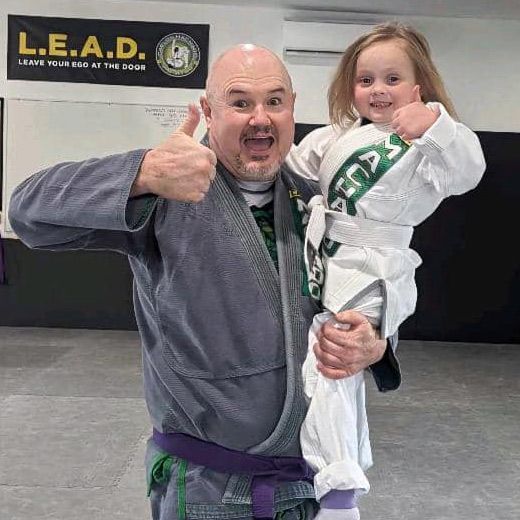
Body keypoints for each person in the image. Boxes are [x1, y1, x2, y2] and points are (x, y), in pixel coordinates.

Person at [9, 44, 400, 520]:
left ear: (293, 107)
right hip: (207, 491)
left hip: (311, 486)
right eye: (240, 103)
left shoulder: (318, 196)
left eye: (275, 102)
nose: (261, 118)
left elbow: (372, 285)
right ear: (209, 112)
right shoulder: (166, 191)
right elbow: (28, 213)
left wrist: (377, 343)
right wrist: (143, 173)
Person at [285, 22, 486, 520]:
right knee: (330, 369)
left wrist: (434, 126)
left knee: (333, 356)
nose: (378, 90)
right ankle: (349, 460)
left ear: (419, 85)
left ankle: (338, 489)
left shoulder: (430, 141)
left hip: (377, 267)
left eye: (392, 78)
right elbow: (287, 167)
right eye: (366, 79)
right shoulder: (338, 135)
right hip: (325, 258)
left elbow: (469, 171)